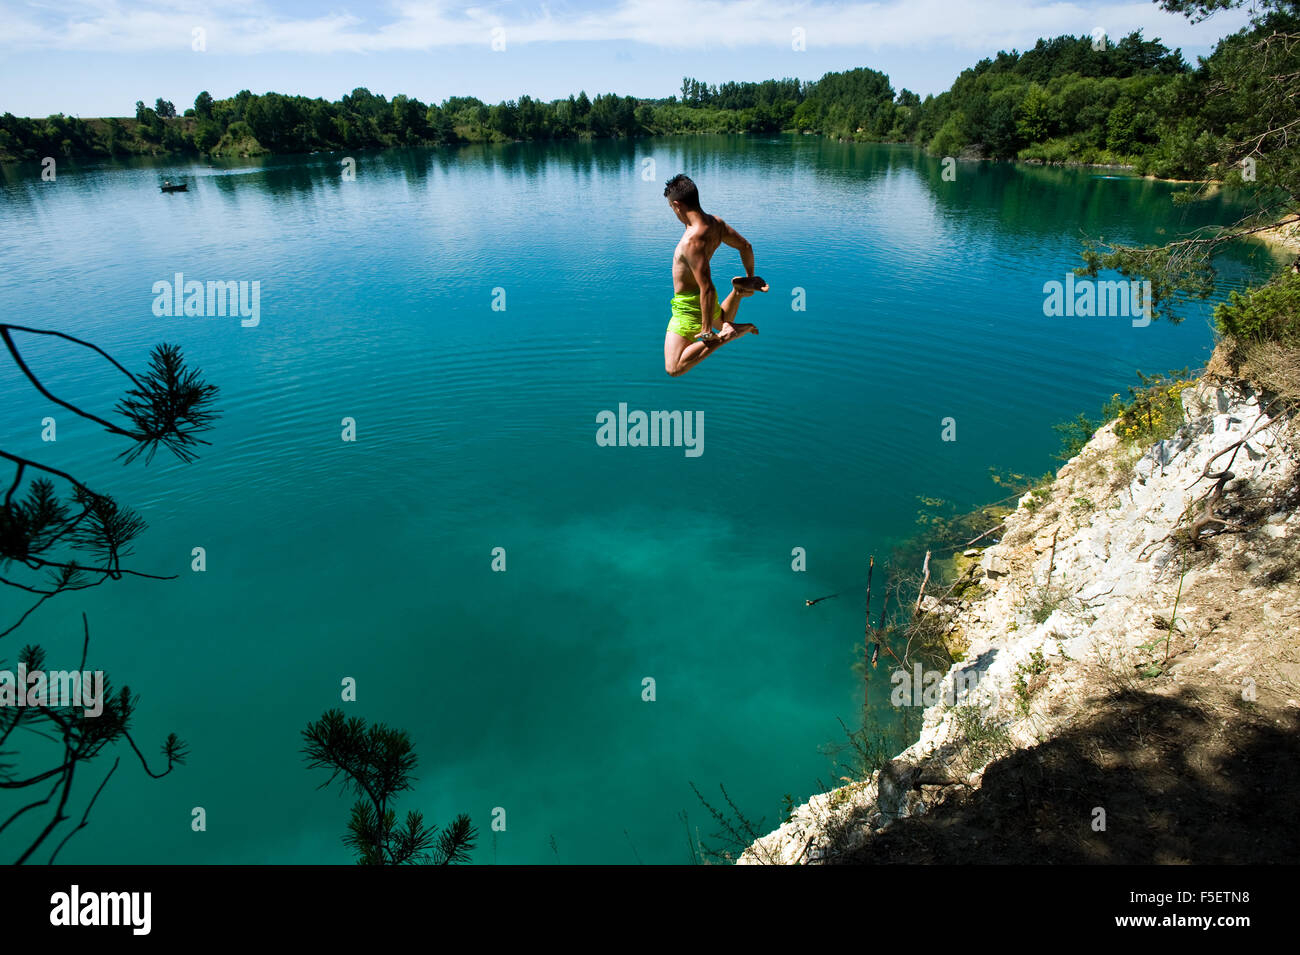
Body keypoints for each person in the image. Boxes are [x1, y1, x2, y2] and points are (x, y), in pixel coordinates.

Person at [662, 174, 767, 377]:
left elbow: (707, 288)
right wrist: (749, 277)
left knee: (673, 367)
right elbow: (745, 246)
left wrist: (708, 332)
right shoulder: (716, 224)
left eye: (672, 209)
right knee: (724, 318)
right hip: (705, 303)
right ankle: (737, 293)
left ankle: (725, 335)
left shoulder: (691, 242)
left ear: (677, 205)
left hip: (688, 307)